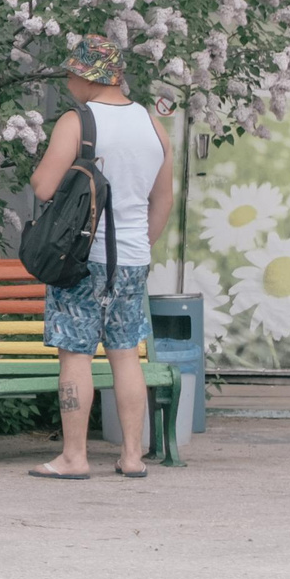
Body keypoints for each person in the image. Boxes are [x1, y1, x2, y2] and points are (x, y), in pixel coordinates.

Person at [27, 35, 174, 480]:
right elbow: (163, 199)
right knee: (126, 354)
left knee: (75, 355)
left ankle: (74, 458)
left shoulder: (79, 122)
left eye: (72, 73)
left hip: (80, 259)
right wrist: (137, 246)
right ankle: (132, 457)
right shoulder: (153, 124)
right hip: (131, 259)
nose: (69, 82)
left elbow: (44, 187)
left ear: (85, 76)